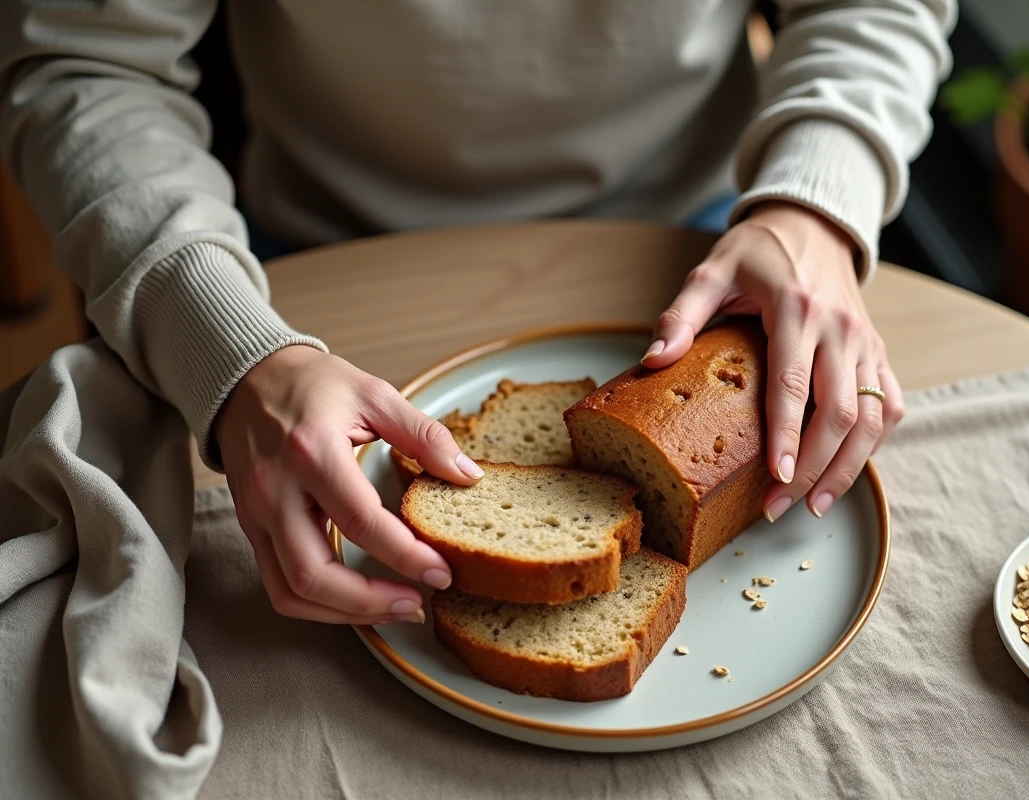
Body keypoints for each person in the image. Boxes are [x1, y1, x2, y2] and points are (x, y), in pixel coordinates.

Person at [0, 1, 955, 626]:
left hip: (706, 243)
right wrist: (237, 352)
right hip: (299, 273)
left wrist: (815, 202)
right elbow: (83, 60)